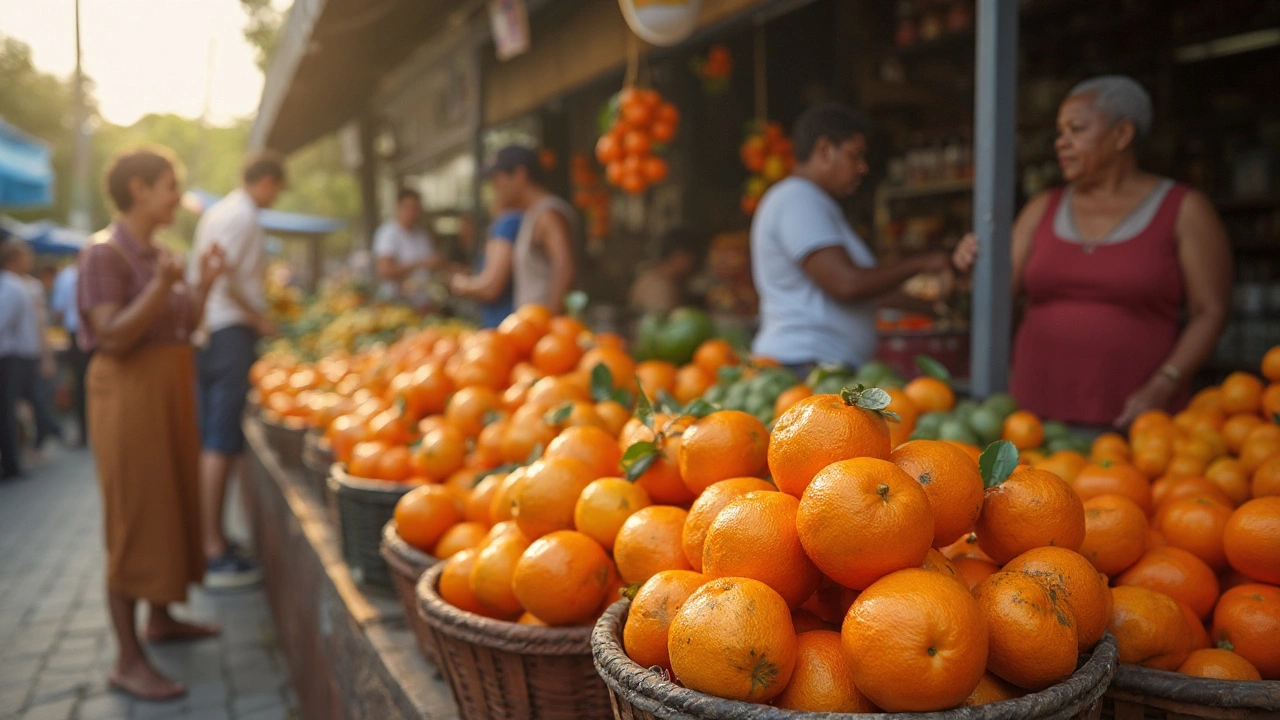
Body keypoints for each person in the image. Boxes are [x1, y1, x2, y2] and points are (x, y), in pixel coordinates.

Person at [953, 76, 1231, 428]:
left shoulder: (1184, 208)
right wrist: (975, 265)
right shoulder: (1042, 207)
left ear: (1122, 135)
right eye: (1059, 132)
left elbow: (1211, 311)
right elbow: (995, 296)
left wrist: (1164, 384)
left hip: (1137, 417)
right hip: (1032, 418)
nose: (1060, 143)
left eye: (1076, 129)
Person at [78, 147, 226, 700]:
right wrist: (166, 286)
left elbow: (182, 326)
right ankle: (127, 659)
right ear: (138, 189)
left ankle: (161, 617)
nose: (176, 197)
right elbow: (113, 334)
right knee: (135, 516)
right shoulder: (104, 254)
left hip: (166, 393)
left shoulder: (159, 253)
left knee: (167, 502)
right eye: (169, 185)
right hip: (127, 397)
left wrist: (203, 284)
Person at [751, 103, 955, 376]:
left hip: (812, 365)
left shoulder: (813, 203)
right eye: (854, 156)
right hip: (802, 365)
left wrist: (934, 307)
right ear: (824, 150)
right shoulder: (797, 199)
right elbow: (847, 284)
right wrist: (923, 262)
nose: (862, 167)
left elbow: (867, 292)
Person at [192, 153, 285, 588]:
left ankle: (215, 541)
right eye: (277, 188)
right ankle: (213, 551)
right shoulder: (243, 216)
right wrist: (259, 318)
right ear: (266, 181)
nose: (276, 197)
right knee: (220, 439)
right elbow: (222, 274)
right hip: (230, 331)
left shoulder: (221, 210)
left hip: (216, 331)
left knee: (219, 440)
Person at [485, 145, 578, 314]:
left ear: (520, 175)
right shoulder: (532, 213)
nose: (495, 188)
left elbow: (565, 267)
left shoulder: (548, 214)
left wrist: (549, 322)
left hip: (546, 331)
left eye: (496, 180)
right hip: (533, 327)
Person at [6, 241, 64, 457]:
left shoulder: (27, 286)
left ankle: (44, 436)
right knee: (29, 399)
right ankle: (49, 433)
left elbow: (40, 324)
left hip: (26, 352)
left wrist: (46, 355)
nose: (28, 262)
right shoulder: (15, 285)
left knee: (35, 397)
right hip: (18, 352)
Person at [0, 240, 41, 480]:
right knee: (10, 408)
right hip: (13, 355)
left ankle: (14, 459)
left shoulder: (14, 285)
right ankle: (13, 459)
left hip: (14, 355)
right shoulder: (13, 285)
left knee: (11, 408)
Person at [450, 201, 522, 328]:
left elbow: (491, 287)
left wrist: (461, 284)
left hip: (503, 323)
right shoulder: (505, 225)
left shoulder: (507, 223)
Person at [374, 188, 442, 308]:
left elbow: (433, 268)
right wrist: (420, 263)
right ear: (398, 208)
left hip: (423, 303)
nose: (412, 213)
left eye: (416, 208)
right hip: (396, 303)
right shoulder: (388, 233)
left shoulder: (422, 234)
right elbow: (385, 271)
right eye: (408, 208)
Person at [50, 261, 89, 447]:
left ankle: (84, 433)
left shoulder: (66, 276)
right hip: (91, 334)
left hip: (77, 334)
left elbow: (58, 310)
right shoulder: (70, 276)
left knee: (80, 385)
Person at [629, 228, 700, 315]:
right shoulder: (660, 288)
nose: (694, 264)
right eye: (692, 258)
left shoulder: (653, 277)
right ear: (679, 255)